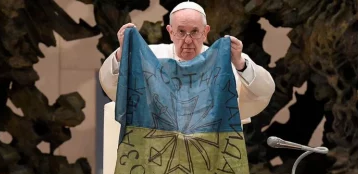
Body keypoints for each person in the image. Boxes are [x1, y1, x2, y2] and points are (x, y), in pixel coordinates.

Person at [99, 1, 275, 126]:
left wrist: (239, 63)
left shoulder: (225, 60)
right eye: (181, 32)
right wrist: (122, 52)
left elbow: (264, 91)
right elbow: (110, 82)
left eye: (195, 32)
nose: (188, 40)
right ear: (170, 32)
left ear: (206, 32)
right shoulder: (151, 57)